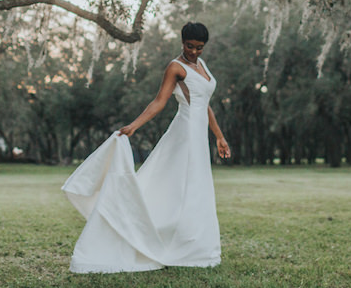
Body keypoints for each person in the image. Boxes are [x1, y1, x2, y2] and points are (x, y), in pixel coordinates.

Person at [62, 22, 231, 273]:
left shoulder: (201, 65)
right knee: (175, 184)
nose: (194, 52)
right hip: (184, 134)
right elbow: (159, 102)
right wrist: (134, 126)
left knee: (196, 189)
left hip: (199, 137)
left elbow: (204, 103)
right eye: (190, 46)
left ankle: (195, 245)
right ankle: (140, 229)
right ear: (182, 41)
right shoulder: (176, 67)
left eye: (199, 48)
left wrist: (219, 136)